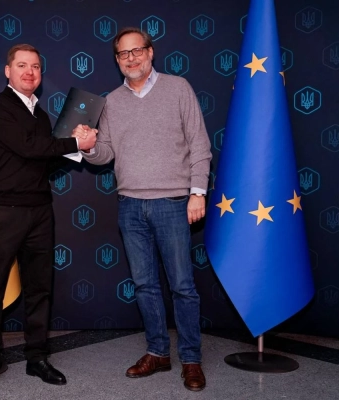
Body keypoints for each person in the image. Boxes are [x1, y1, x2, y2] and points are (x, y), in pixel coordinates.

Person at [79, 27, 212, 392]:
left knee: (183, 287)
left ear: (151, 52)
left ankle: (191, 359)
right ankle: (158, 352)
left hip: (173, 203)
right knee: (145, 286)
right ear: (117, 60)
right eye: (124, 54)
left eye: (137, 50)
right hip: (130, 205)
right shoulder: (111, 101)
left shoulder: (178, 88)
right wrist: (88, 147)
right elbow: (106, 153)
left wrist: (197, 193)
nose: (131, 58)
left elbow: (199, 145)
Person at [0, 43, 96, 396]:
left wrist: (76, 146)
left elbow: (43, 161)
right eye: (22, 65)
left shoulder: (41, 115)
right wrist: (74, 143)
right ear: (7, 71)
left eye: (36, 67)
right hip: (2, 211)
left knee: (40, 289)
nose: (30, 72)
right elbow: (28, 147)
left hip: (40, 211)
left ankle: (37, 358)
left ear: (41, 74)